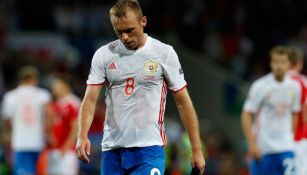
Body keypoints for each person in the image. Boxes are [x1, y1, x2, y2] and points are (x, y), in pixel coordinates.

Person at [75, 0, 205, 174]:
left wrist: (196, 149)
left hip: (149, 149)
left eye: (129, 30)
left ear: (143, 21)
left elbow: (183, 102)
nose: (125, 38)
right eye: (118, 32)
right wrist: (82, 136)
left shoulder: (164, 53)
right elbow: (90, 100)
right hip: (112, 150)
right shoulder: (103, 55)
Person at [241, 46, 301, 175]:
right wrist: (251, 144)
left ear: (288, 64)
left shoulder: (295, 87)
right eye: (276, 62)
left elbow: (295, 112)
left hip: (286, 148)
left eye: (283, 62)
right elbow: (246, 114)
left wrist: (290, 136)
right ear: (271, 63)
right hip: (263, 149)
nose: (279, 66)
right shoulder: (260, 86)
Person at [0, 66, 51, 175]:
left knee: (23, 171)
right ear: (34, 79)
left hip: (20, 141)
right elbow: (49, 115)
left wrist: (8, 133)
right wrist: (48, 132)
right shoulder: (43, 95)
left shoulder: (11, 96)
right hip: (39, 141)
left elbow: (5, 119)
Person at [45, 77, 80, 175]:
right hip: (53, 149)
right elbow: (51, 125)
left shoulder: (73, 102)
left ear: (65, 86)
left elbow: (75, 128)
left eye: (56, 85)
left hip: (67, 151)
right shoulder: (55, 104)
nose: (53, 88)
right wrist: (49, 134)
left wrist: (66, 147)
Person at [287, 46, 307, 175]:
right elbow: (305, 113)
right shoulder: (304, 82)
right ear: (299, 63)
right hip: (300, 137)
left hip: (278, 139)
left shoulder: (273, 82)